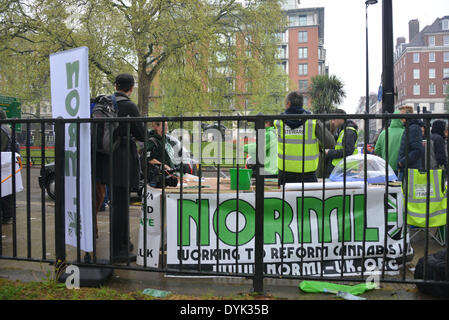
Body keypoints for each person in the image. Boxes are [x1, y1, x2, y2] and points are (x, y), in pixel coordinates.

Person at [95, 73, 146, 263]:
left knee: (117, 204)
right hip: (123, 159)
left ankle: (124, 244)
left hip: (108, 159)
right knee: (120, 207)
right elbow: (141, 133)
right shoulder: (129, 106)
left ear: (116, 85)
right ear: (131, 88)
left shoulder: (106, 103)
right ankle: (118, 251)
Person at [274, 91, 335, 185]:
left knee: (285, 199)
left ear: (288, 103)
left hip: (285, 173)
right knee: (307, 200)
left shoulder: (278, 122)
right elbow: (330, 143)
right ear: (302, 104)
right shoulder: (312, 121)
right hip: (307, 173)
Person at [325, 109, 359, 178]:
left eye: (334, 119)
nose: (332, 122)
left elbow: (347, 151)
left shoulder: (349, 131)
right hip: (342, 168)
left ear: (340, 119)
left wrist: (330, 152)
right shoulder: (343, 131)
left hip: (346, 169)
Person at [0, 109, 19, 225]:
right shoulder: (8, 128)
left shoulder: (1, 129)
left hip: (3, 162)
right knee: (7, 191)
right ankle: (8, 216)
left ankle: (6, 216)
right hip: (10, 163)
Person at [397, 106, 424, 181]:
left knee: (406, 191)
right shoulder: (410, 127)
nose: (400, 118)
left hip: (410, 169)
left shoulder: (413, 128)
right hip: (407, 168)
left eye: (402, 115)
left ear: (408, 115)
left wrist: (402, 162)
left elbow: (417, 150)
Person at [374, 110, 405, 176]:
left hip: (385, 166)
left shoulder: (383, 133)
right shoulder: (404, 132)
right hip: (399, 167)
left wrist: (384, 155)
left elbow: (377, 149)